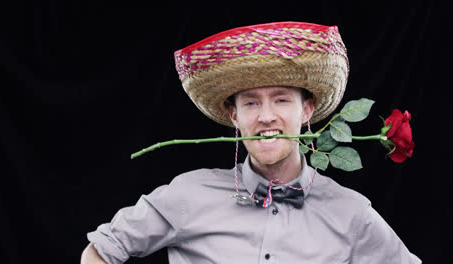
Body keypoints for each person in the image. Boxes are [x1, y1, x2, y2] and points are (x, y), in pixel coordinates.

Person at [81, 22, 421, 263]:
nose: (266, 116)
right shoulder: (187, 194)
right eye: (251, 102)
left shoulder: (351, 213)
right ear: (234, 116)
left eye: (282, 100)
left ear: (308, 109)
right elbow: (100, 251)